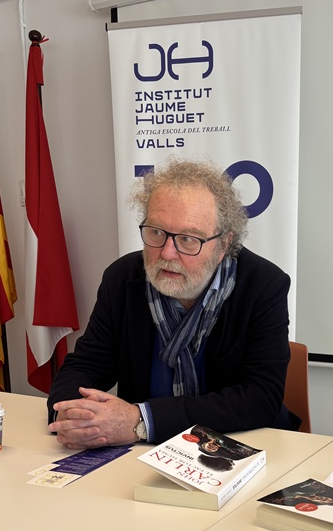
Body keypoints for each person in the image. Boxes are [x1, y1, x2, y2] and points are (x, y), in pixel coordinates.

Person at [48, 158, 299, 448]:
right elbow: (86, 366)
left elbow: (260, 397)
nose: (167, 253)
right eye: (156, 232)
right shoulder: (122, 279)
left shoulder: (263, 285)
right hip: (142, 451)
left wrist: (141, 421)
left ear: (223, 244)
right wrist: (72, 414)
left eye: (188, 239)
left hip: (239, 447)